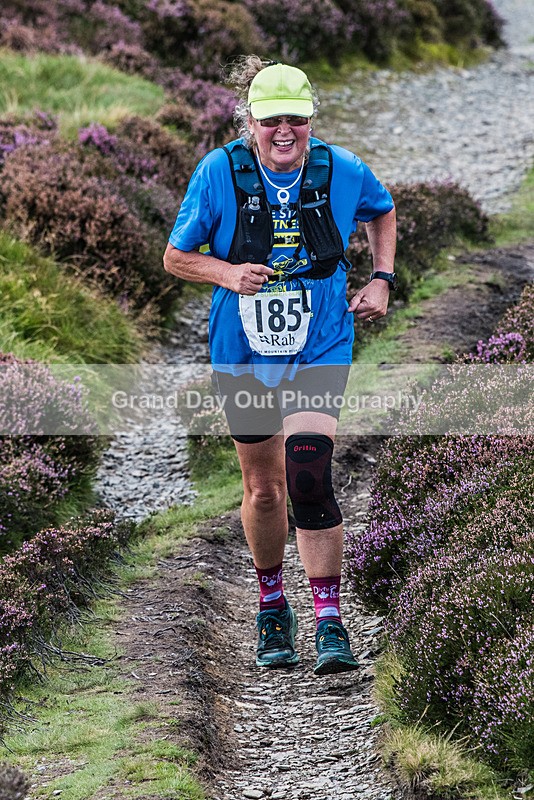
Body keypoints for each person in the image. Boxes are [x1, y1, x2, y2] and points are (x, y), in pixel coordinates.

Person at [163, 56, 396, 676]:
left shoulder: (342, 169)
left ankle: (329, 621)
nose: (284, 131)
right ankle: (272, 606)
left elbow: (382, 210)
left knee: (309, 474)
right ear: (250, 122)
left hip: (320, 335)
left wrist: (381, 279)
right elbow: (176, 257)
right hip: (241, 345)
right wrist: (226, 272)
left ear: (312, 119)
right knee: (263, 489)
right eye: (271, 121)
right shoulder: (218, 173)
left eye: (296, 119)